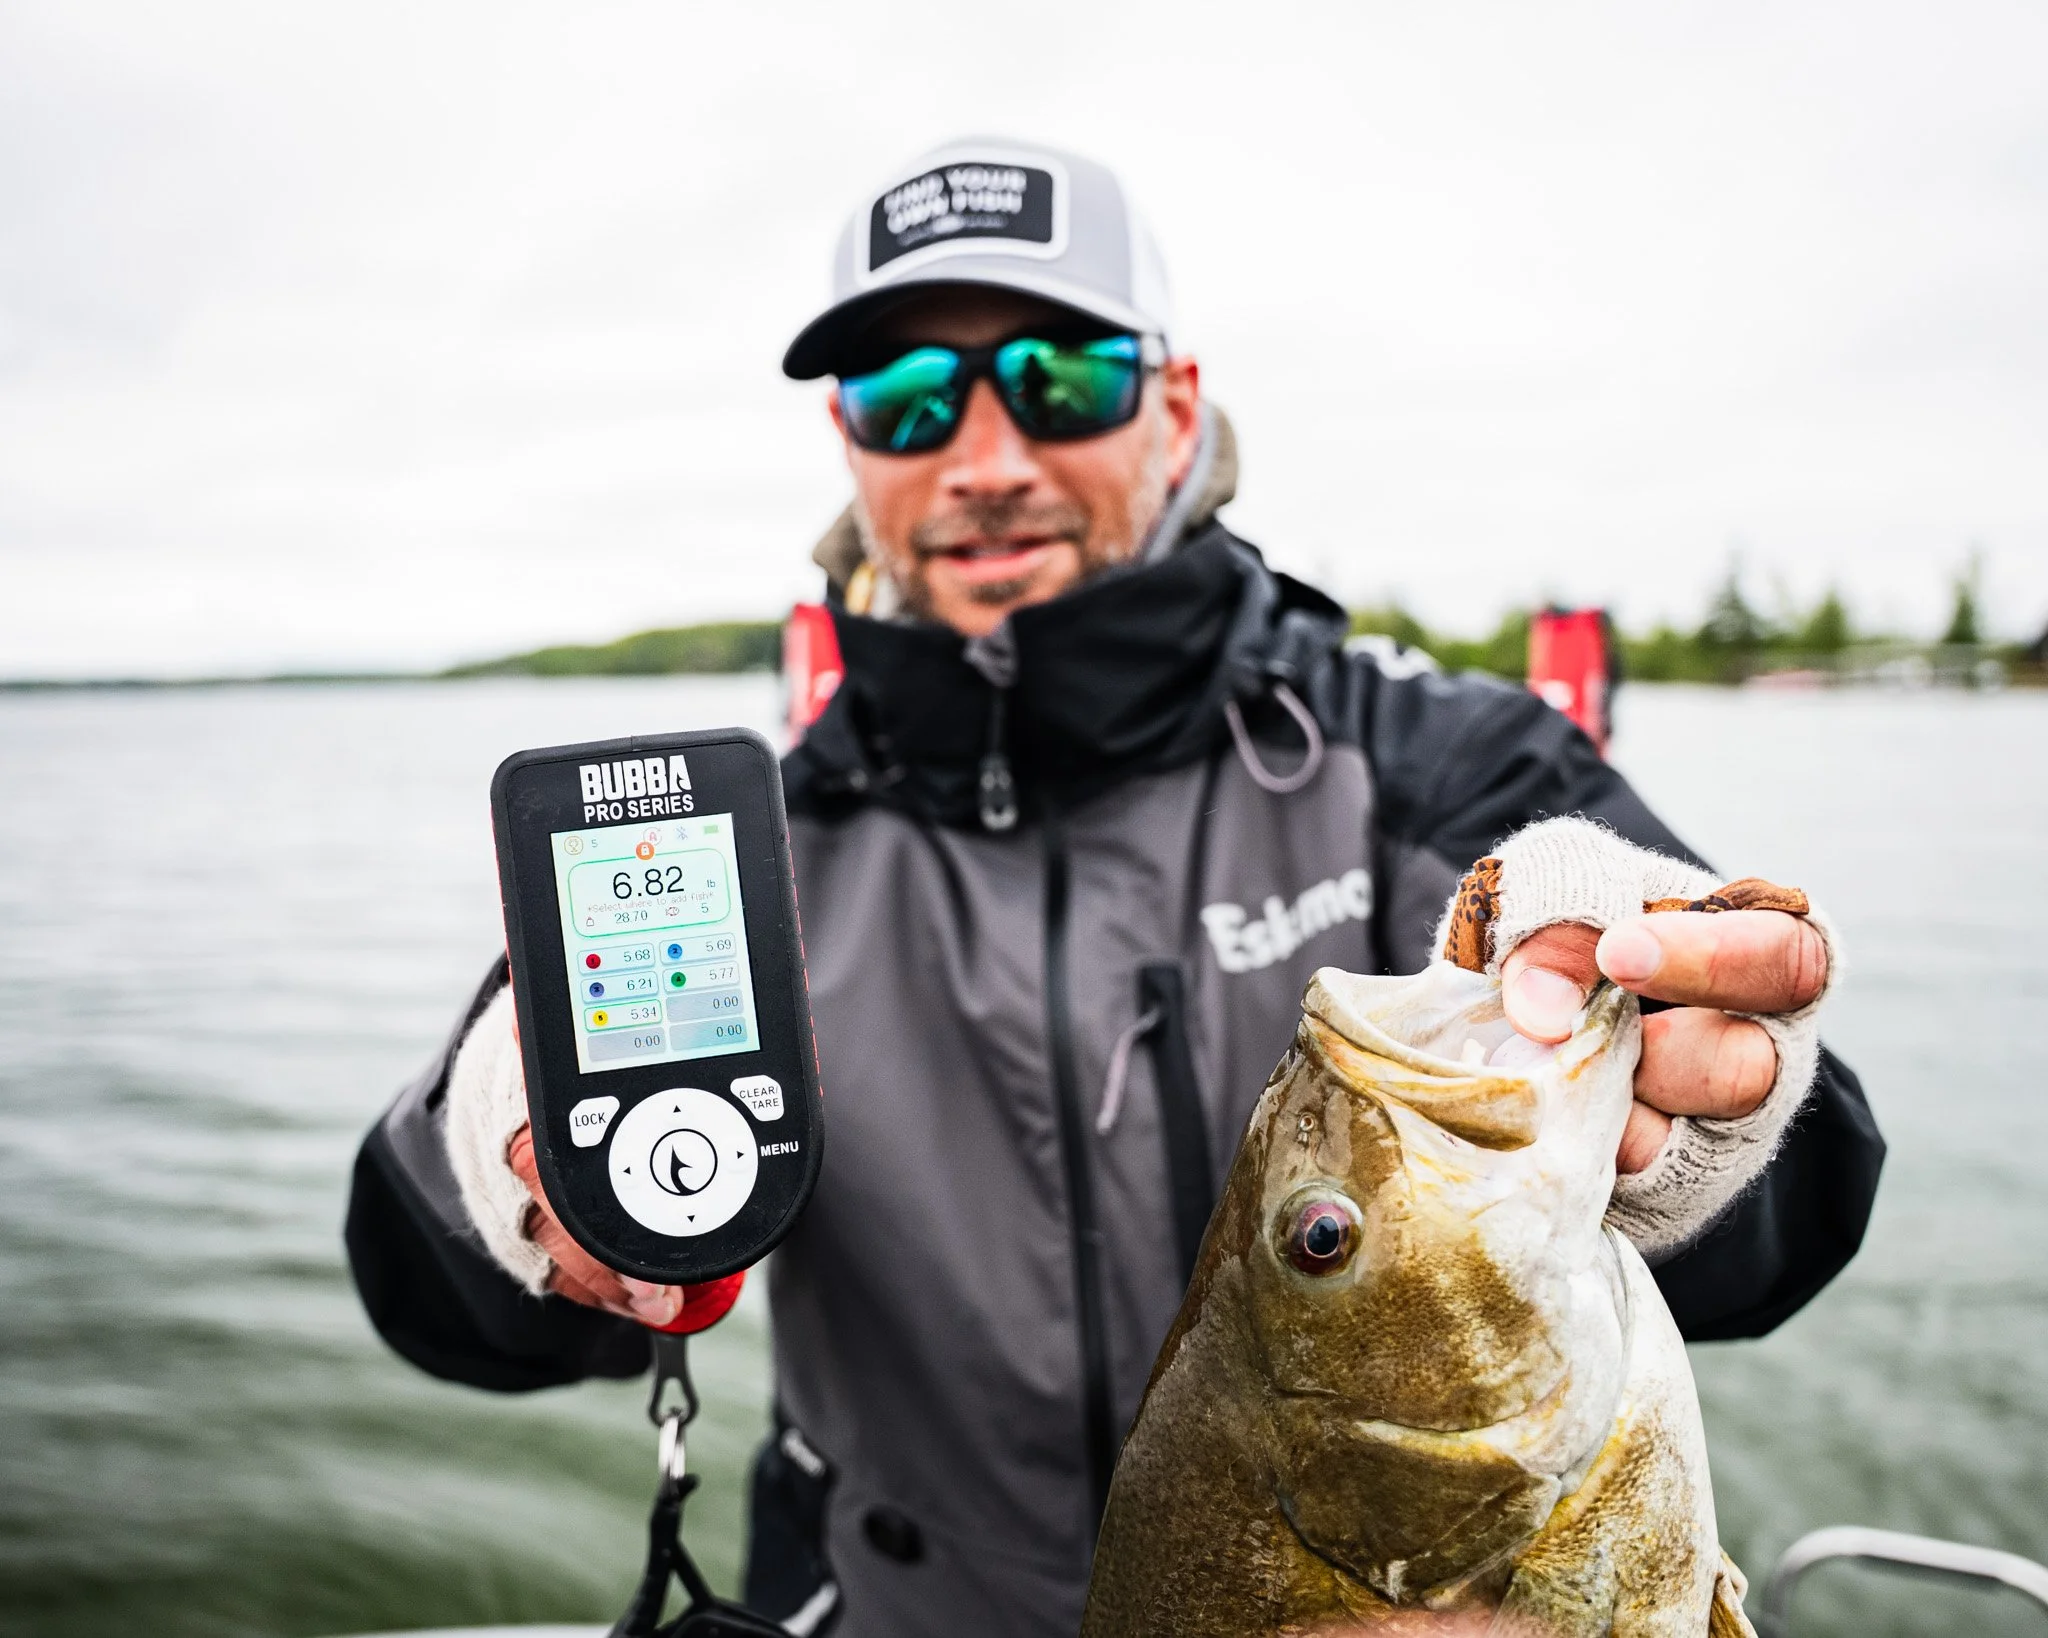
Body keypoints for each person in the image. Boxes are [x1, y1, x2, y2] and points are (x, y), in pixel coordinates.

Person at [346, 138, 1884, 1638]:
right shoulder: (749, 864)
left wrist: (1694, 1089)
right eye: (908, 397)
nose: (989, 459)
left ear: (1174, 402)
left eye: (1060, 378)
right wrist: (509, 1154)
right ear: (849, 443)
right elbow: (439, 1307)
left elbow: (1799, 1214)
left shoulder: (1424, 755)